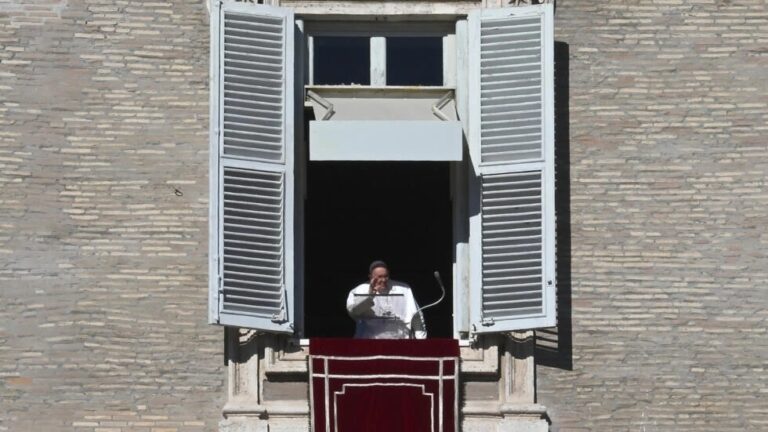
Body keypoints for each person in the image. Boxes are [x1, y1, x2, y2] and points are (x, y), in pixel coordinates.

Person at [346, 260, 427, 339]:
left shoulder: (404, 289)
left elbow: (416, 317)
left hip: (400, 342)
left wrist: (421, 342)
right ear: (370, 277)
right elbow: (353, 311)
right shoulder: (359, 290)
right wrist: (370, 296)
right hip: (370, 343)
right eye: (379, 277)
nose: (383, 280)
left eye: (386, 276)